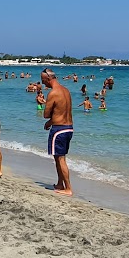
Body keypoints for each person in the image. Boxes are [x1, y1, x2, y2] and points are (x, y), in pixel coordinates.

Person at [41, 67, 74, 196]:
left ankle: (68, 188)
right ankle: (60, 183)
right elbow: (62, 111)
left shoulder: (53, 93)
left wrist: (48, 119)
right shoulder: (66, 91)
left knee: (60, 159)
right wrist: (50, 122)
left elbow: (46, 114)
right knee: (58, 157)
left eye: (43, 80)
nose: (43, 83)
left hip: (59, 130)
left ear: (49, 78)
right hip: (69, 128)